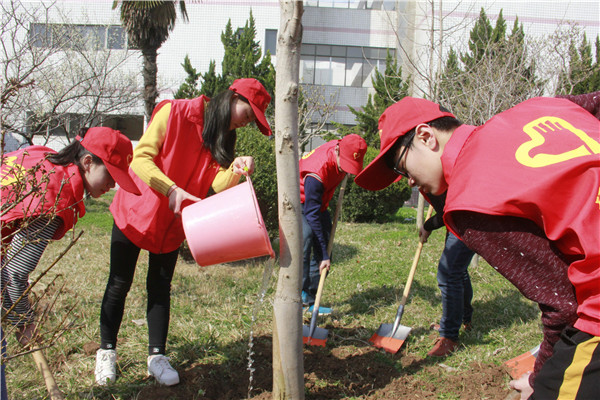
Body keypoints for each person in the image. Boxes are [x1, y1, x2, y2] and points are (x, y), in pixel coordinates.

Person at [354, 95, 599, 399]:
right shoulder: (538, 108)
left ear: (426, 136)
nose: (409, 183)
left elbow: (564, 304)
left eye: (402, 167)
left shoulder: (470, 200)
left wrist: (540, 379)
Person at [95, 78, 273, 386]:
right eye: (248, 113)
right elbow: (141, 159)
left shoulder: (219, 139)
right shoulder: (175, 112)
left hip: (172, 224)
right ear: (233, 97)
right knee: (119, 283)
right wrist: (171, 188)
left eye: (253, 120)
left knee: (160, 288)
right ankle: (107, 352)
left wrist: (237, 170)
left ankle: (157, 356)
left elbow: (210, 186)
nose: (246, 123)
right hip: (136, 212)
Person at [0, 127, 139, 398]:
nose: (113, 185)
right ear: (87, 162)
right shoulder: (54, 198)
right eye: (110, 175)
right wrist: (24, 320)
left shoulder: (45, 161)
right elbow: (15, 273)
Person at [299, 134, 367, 313]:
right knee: (306, 240)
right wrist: (323, 254)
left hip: (319, 203)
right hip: (300, 202)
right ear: (337, 150)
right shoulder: (317, 171)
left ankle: (312, 297)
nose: (346, 170)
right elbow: (311, 214)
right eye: (344, 164)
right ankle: (298, 296)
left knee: (327, 247)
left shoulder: (343, 149)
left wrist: (325, 254)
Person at [420, 192, 475, 357]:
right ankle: (465, 319)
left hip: (467, 218)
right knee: (458, 270)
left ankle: (449, 336)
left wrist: (428, 225)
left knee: (449, 273)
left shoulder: (442, 173)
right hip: (457, 220)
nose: (410, 182)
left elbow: (446, 211)